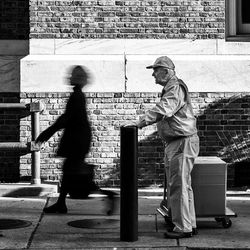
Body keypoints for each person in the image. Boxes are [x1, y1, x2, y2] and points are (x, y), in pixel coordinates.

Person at [122, 56, 199, 239]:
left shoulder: (175, 87)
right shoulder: (172, 87)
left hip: (182, 142)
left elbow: (164, 109)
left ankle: (183, 228)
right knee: (183, 186)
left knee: (179, 186)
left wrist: (139, 122)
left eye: (156, 70)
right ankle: (189, 224)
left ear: (166, 71)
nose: (153, 74)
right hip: (180, 142)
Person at [36, 65, 116, 215]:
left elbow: (66, 118)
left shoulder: (77, 96)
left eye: (72, 76)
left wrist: (46, 133)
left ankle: (107, 195)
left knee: (76, 174)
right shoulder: (77, 95)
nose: (69, 78)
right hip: (78, 139)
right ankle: (61, 203)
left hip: (77, 141)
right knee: (69, 172)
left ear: (76, 79)